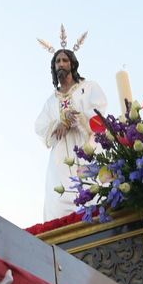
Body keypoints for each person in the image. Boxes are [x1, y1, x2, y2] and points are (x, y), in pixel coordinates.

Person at [34, 41, 107, 221]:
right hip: (60, 160)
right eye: (57, 61)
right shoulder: (51, 101)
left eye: (64, 60)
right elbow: (40, 127)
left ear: (72, 64)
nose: (60, 64)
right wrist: (59, 122)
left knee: (93, 193)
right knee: (58, 202)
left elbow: (99, 113)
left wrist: (77, 118)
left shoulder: (88, 87)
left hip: (86, 149)